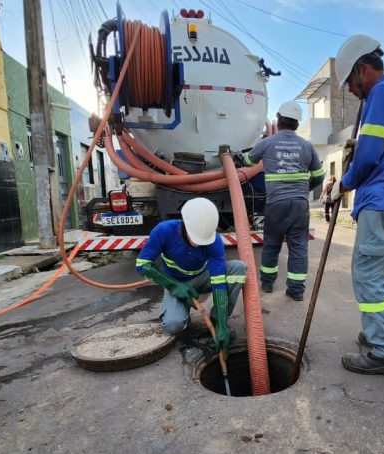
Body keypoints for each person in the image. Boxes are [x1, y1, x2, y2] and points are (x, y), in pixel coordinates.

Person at [330, 35, 384, 376]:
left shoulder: (380, 94)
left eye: (351, 82)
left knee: (368, 275)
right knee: (379, 275)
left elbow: (368, 156)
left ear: (363, 69)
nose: (351, 90)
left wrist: (344, 182)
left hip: (380, 198)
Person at [135, 197, 247, 357]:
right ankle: (182, 313)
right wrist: (173, 285)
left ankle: (216, 323)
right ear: (184, 225)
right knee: (174, 325)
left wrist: (222, 323)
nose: (201, 243)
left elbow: (219, 282)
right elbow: (142, 264)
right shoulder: (164, 231)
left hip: (202, 277)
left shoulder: (214, 240)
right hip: (175, 281)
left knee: (238, 268)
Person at [239, 101, 324, 301]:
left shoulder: (267, 143)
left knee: (271, 244)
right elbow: (319, 176)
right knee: (298, 247)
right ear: (296, 123)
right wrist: (304, 189)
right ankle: (296, 290)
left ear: (278, 119)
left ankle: (267, 282)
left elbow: (248, 162)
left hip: (276, 204)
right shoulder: (307, 146)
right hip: (299, 205)